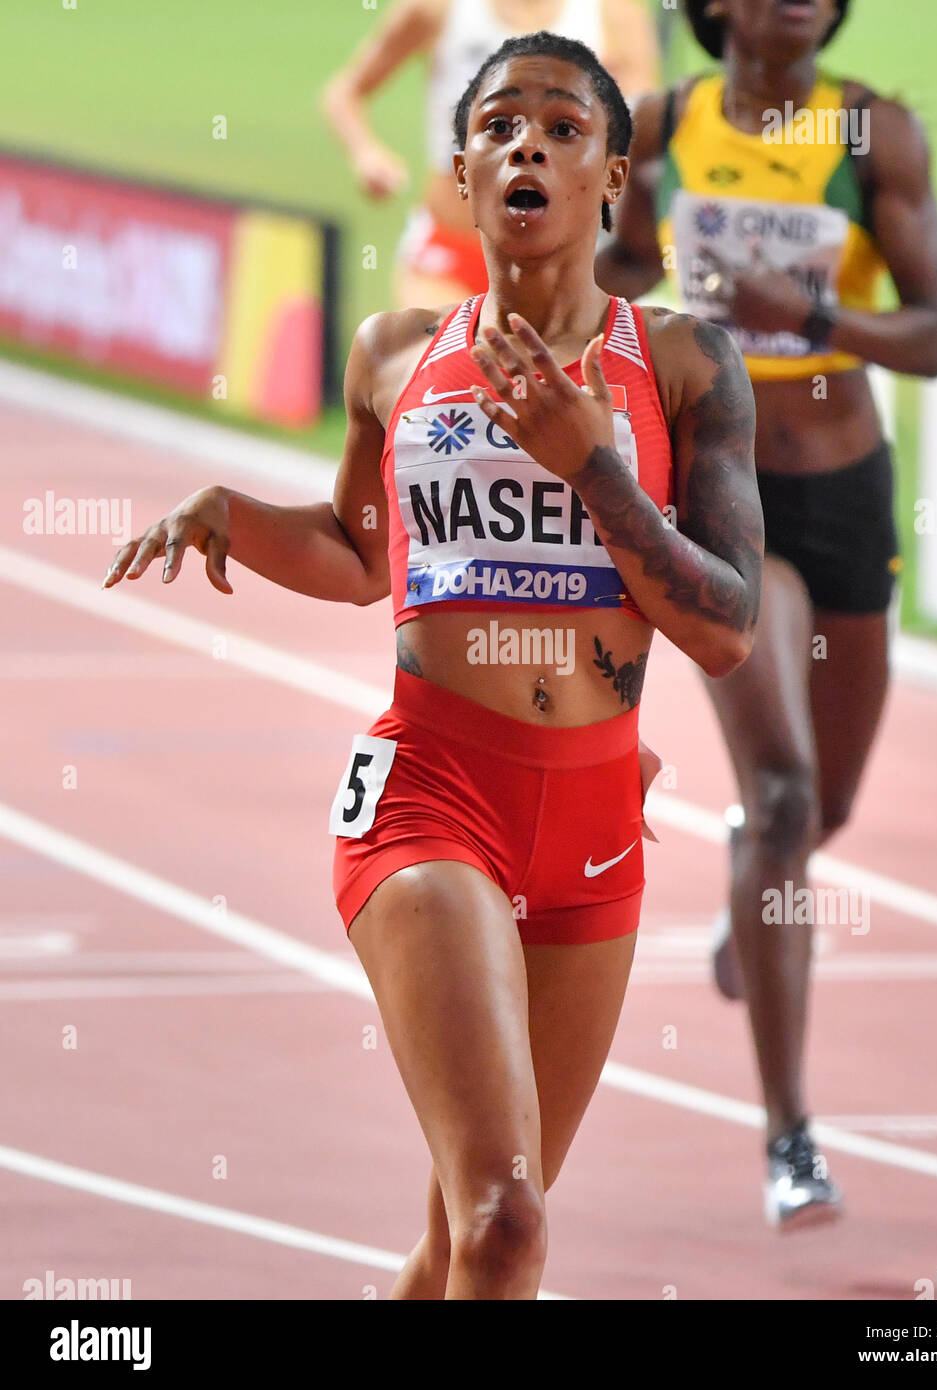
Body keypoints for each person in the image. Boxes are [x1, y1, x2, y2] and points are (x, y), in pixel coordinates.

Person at [104, 31, 762, 1299]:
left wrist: (593, 468)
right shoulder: (394, 355)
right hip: (431, 795)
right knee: (507, 1225)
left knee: (460, 1239)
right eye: (498, 125)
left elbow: (725, 627)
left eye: (564, 128)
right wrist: (232, 509)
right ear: (460, 172)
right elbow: (359, 555)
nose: (528, 143)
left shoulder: (681, 365)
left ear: (612, 177)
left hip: (590, 821)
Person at [596, 0, 937, 1229]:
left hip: (844, 483)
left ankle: (753, 905)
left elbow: (931, 337)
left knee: (824, 806)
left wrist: (802, 312)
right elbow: (618, 267)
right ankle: (788, 1134)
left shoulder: (872, 133)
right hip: (721, 485)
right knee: (786, 791)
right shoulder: (664, 125)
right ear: (716, 10)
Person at [319, 0, 659, 308]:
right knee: (450, 370)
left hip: (564, 267)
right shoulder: (438, 8)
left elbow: (637, 125)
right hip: (451, 254)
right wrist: (366, 154)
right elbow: (345, 92)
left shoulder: (613, 13)